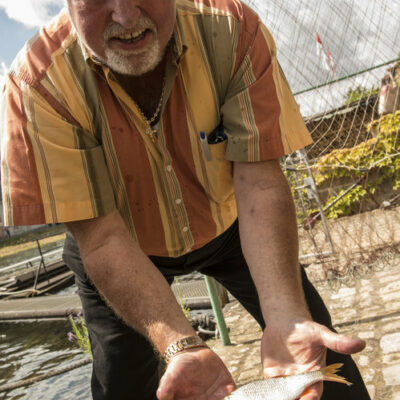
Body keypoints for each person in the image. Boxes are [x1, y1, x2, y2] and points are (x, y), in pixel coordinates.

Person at [1, 0, 371, 399]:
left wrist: (285, 315)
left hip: (234, 225)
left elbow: (260, 183)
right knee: (120, 388)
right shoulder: (35, 85)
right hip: (120, 248)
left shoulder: (232, 29)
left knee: (314, 350)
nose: (125, 18)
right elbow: (102, 238)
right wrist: (180, 345)